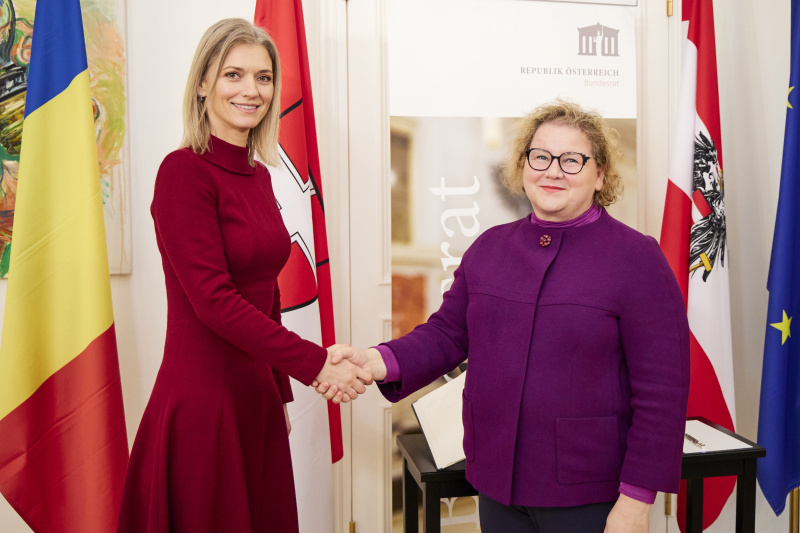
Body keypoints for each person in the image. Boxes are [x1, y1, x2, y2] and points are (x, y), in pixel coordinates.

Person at [318, 100, 690, 533]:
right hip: (497, 481)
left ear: (600, 174)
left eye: (572, 160)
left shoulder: (637, 258)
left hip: (589, 490)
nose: (553, 171)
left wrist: (636, 502)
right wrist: (375, 360)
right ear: (523, 165)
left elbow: (662, 390)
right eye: (540, 156)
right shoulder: (490, 248)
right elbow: (446, 334)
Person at [117, 18, 371, 533]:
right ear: (203, 83)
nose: (251, 90)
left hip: (256, 399)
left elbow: (266, 291)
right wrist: (317, 364)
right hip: (204, 402)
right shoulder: (182, 172)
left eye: (263, 77)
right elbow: (214, 300)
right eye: (233, 75)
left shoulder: (259, 175)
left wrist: (278, 388)